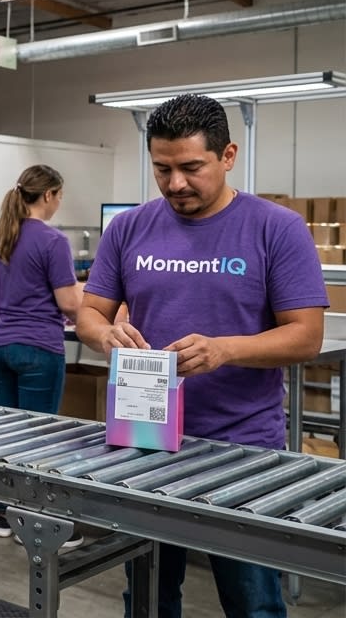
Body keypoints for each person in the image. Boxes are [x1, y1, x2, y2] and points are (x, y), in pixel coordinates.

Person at [76, 94, 326, 618]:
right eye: (162, 169)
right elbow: (90, 314)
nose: (175, 184)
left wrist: (224, 349)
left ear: (228, 155)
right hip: (145, 437)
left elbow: (306, 337)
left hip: (241, 447)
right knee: (148, 595)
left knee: (252, 600)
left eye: (191, 168)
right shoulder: (128, 228)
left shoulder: (276, 228)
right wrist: (106, 336)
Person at [0, 164, 82, 543]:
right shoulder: (53, 241)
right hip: (38, 348)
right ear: (49, 195)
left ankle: (2, 515)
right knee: (39, 437)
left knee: (6, 433)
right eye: (59, 196)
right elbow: (68, 303)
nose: (59, 203)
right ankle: (37, 523)